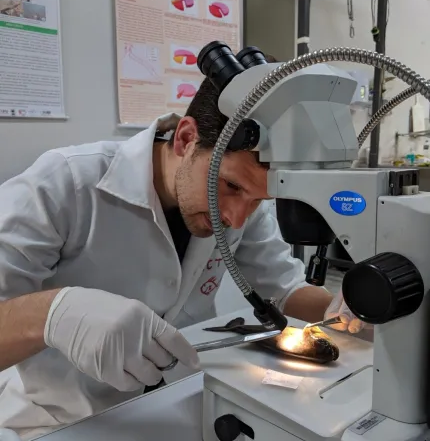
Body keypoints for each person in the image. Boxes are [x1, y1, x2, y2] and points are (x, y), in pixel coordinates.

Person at [0, 64, 366, 439]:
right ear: (186, 138)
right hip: (63, 419)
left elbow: (285, 289)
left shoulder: (241, 207)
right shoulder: (65, 184)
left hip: (181, 397)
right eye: (230, 186)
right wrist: (54, 314)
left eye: (259, 200)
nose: (237, 218)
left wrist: (342, 309)